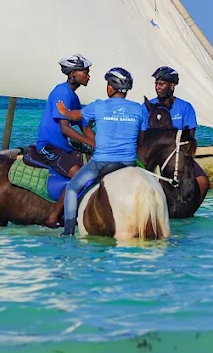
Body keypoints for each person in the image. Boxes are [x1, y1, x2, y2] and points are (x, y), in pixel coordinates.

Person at [55, 67, 148, 236]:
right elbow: (142, 140)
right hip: (128, 163)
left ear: (110, 88)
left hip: (101, 163)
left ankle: (68, 231)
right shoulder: (139, 109)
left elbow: (75, 116)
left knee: (72, 188)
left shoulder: (99, 106)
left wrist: (65, 112)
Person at [144, 65, 209, 196]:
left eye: (161, 84)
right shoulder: (147, 106)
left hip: (177, 156)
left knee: (203, 182)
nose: (157, 87)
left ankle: (190, 213)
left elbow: (190, 139)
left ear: (172, 85)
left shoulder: (185, 107)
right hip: (151, 156)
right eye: (156, 84)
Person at [33, 55, 96, 178]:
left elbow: (85, 127)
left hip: (64, 148)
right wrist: (90, 142)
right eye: (86, 72)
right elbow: (65, 128)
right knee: (80, 177)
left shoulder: (74, 97)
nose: (88, 76)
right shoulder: (61, 92)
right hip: (49, 147)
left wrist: (102, 144)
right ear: (73, 74)